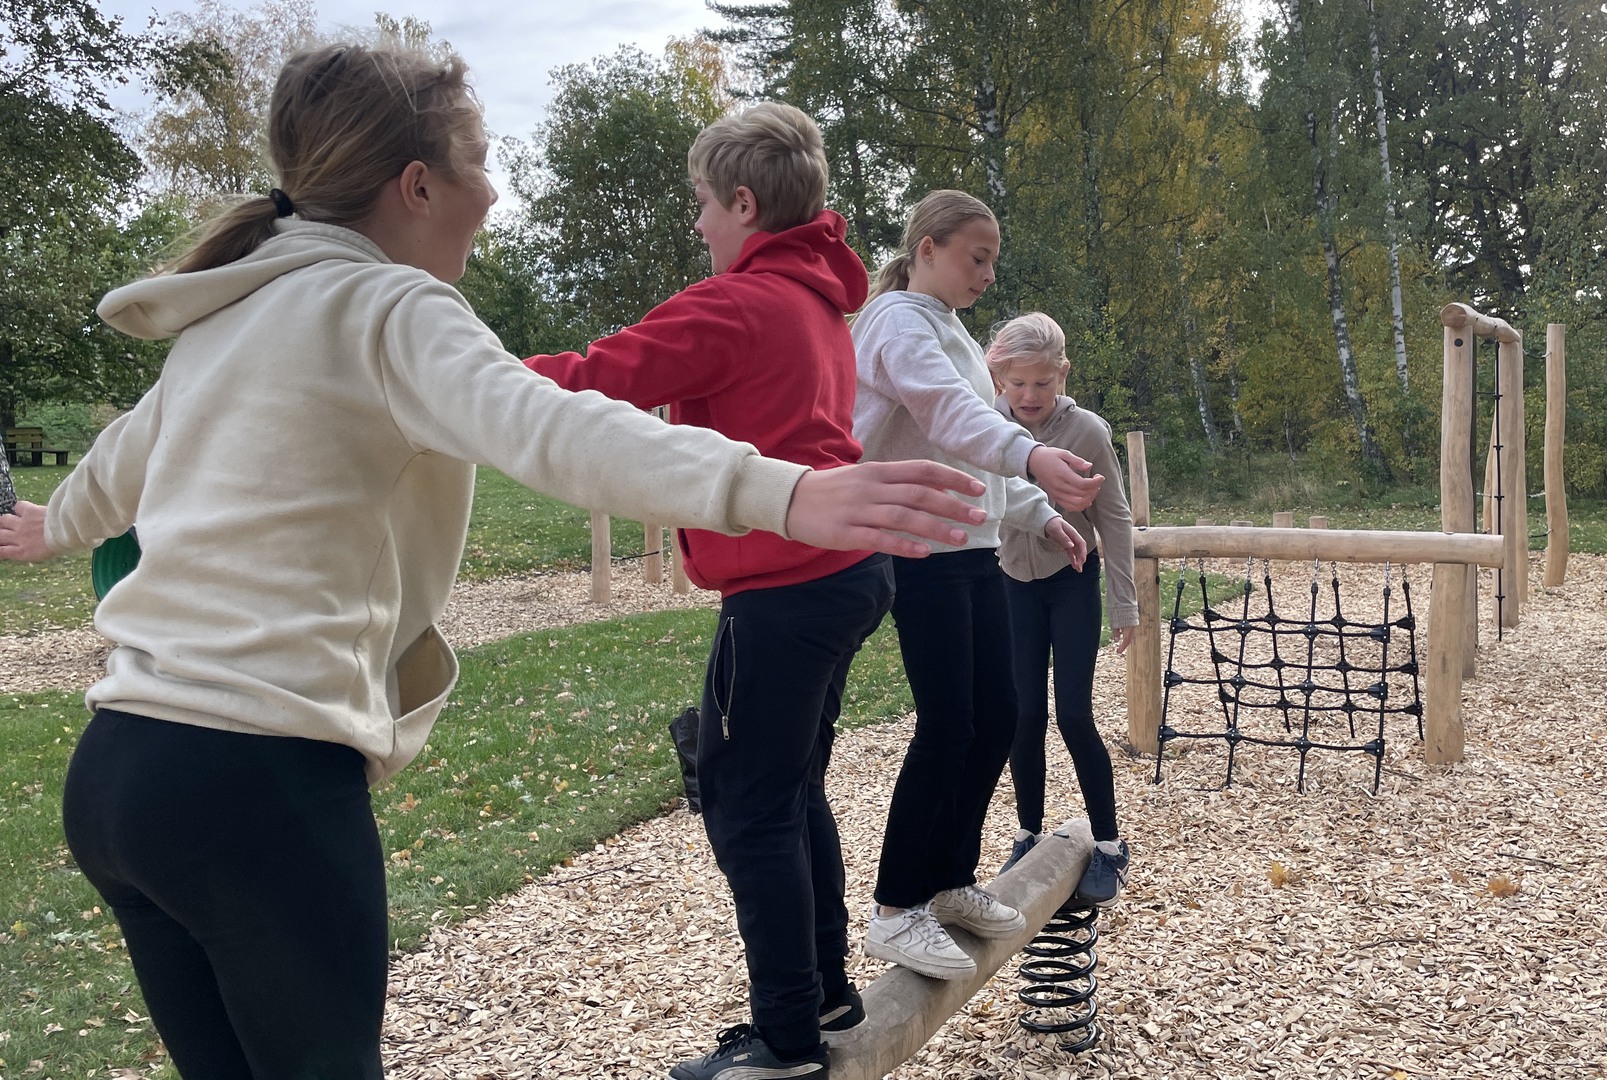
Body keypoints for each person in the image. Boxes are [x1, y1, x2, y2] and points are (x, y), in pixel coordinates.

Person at [0, 44, 984, 1080]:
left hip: (117, 778)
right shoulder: (392, 307)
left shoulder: (228, 314)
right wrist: (786, 489)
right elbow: (554, 427)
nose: (493, 187)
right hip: (255, 783)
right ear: (416, 185)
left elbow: (119, 462)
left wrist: (46, 524)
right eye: (478, 158)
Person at [523, 102, 890, 1080]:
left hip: (786, 589)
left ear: (742, 200)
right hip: (844, 576)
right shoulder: (817, 304)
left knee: (743, 804)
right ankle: (822, 990)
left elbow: (597, 380)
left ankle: (784, 1042)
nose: (698, 227)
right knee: (788, 785)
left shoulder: (735, 303)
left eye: (701, 206)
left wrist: (461, 385)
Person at [851, 190, 1103, 981]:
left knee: (999, 716)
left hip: (972, 548)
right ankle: (896, 907)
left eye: (992, 259)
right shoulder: (896, 321)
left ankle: (950, 881)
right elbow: (956, 418)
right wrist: (1031, 459)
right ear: (927, 247)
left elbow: (974, 450)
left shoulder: (949, 327)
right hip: (918, 547)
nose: (989, 274)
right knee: (948, 724)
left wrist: (1035, 512)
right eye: (977, 257)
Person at [987, 312, 1135, 905]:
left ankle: (1107, 843)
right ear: (998, 378)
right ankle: (1027, 833)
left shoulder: (1088, 432)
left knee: (1073, 714)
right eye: (1016, 383)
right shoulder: (986, 428)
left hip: (1071, 580)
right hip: (1010, 583)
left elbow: (1115, 518)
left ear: (1062, 375)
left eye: (1041, 384)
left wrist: (1124, 602)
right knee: (1021, 716)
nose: (1028, 396)